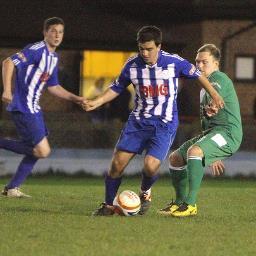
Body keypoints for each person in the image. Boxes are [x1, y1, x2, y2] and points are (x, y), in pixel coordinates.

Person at [84, 26, 224, 216]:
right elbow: (116, 87)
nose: (145, 53)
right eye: (141, 48)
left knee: (150, 166)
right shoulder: (132, 65)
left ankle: (145, 192)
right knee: (116, 164)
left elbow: (198, 75)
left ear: (159, 46)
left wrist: (214, 94)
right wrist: (97, 101)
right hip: (138, 122)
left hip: (164, 124)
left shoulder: (174, 62)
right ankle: (108, 205)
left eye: (149, 49)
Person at [0, 17, 85, 197]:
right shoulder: (36, 49)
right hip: (23, 107)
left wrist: (75, 98)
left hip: (34, 109)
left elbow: (53, 87)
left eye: (60, 32)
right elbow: (8, 62)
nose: (57, 35)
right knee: (42, 150)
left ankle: (12, 189)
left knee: (38, 151)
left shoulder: (53, 57)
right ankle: (11, 187)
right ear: (45, 32)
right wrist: (7, 90)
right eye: (53, 31)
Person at [159, 44, 243, 217]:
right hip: (213, 134)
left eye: (204, 62)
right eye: (197, 62)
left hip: (229, 134)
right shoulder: (202, 89)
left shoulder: (219, 78)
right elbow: (207, 122)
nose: (199, 66)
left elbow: (216, 97)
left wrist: (212, 107)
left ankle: (190, 204)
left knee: (194, 151)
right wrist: (210, 152)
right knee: (175, 158)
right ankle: (179, 202)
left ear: (216, 64)